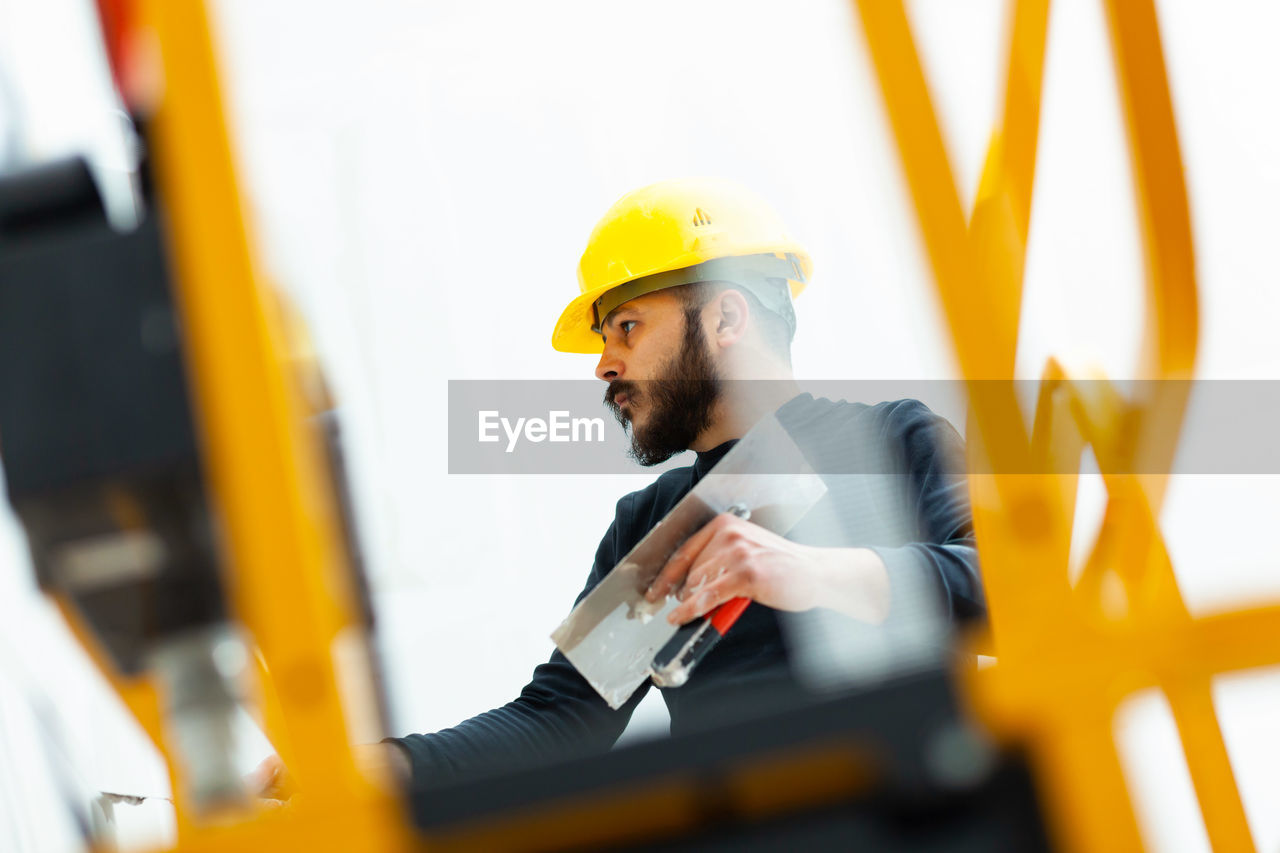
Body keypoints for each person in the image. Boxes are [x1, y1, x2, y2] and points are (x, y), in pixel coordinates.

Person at [250, 177, 984, 798]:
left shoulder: (891, 440)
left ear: (726, 316)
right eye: (605, 338)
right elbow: (564, 718)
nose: (604, 366)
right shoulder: (653, 524)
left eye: (627, 327)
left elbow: (1002, 590)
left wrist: (815, 570)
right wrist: (383, 765)